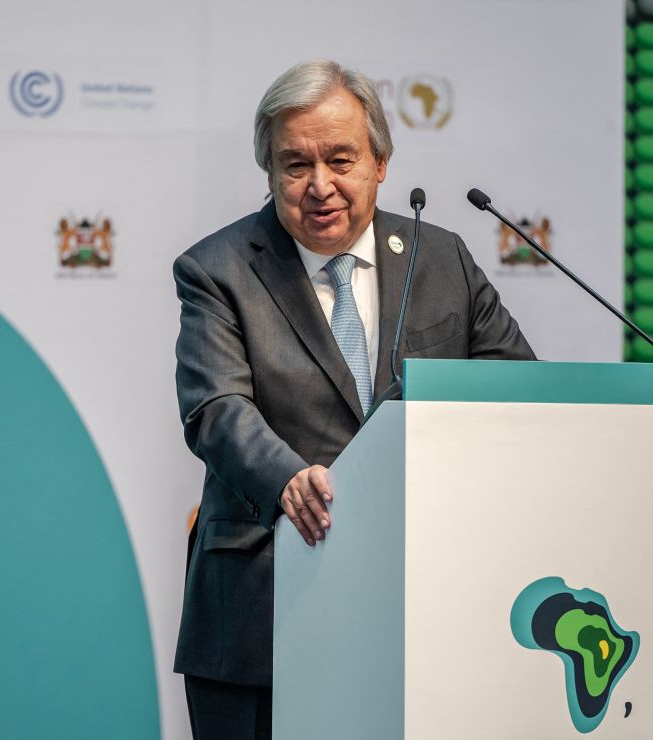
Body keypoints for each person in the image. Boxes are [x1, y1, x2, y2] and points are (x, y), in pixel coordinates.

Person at [172, 59, 535, 739]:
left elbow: (514, 391)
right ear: (270, 171)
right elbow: (216, 409)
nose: (320, 186)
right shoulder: (217, 270)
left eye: (341, 159)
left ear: (381, 161)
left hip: (423, 606)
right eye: (294, 164)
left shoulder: (442, 259)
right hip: (262, 608)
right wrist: (287, 480)